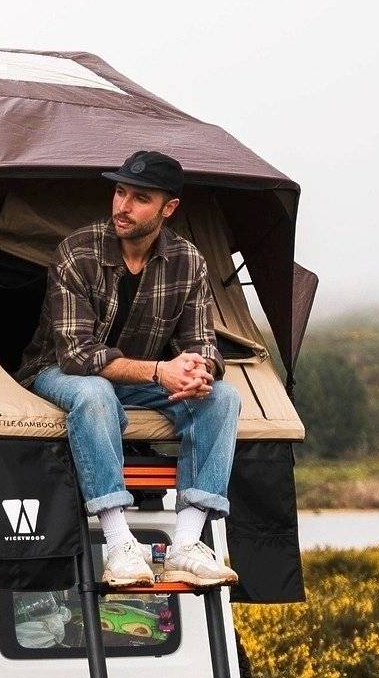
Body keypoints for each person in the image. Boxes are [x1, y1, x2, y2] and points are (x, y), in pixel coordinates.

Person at [12, 150, 241, 589]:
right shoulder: (77, 251)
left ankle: (186, 545)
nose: (122, 206)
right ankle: (119, 543)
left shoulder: (188, 260)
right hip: (57, 371)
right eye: (119, 192)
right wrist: (160, 371)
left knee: (223, 397)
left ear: (168, 208)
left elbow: (202, 342)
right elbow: (77, 356)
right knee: (94, 392)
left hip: (136, 381)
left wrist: (200, 368)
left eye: (139, 198)